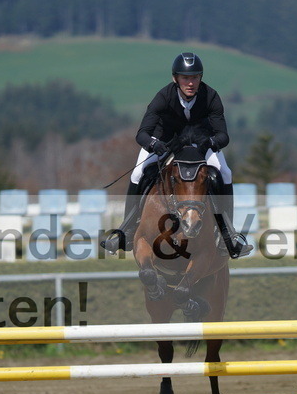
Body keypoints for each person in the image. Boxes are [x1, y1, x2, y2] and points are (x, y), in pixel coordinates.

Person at [101, 52, 252, 258]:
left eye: (195, 77)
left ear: (200, 78)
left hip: (199, 144)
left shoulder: (211, 96)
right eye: (185, 78)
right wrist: (154, 144)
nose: (190, 83)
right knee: (137, 174)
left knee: (225, 173)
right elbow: (142, 134)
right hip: (165, 143)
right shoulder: (164, 96)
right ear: (175, 78)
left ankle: (228, 236)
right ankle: (125, 232)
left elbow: (223, 135)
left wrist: (210, 143)